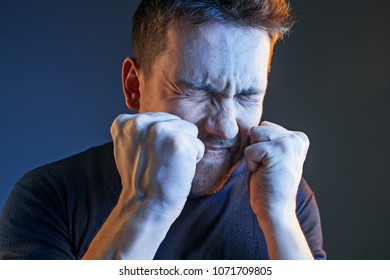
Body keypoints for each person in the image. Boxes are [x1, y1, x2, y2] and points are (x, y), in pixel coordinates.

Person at [0, 0, 326, 260]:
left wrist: (281, 220)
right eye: (197, 90)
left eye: (247, 96)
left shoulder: (288, 199)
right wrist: (145, 207)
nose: (225, 125)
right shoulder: (49, 197)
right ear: (134, 87)